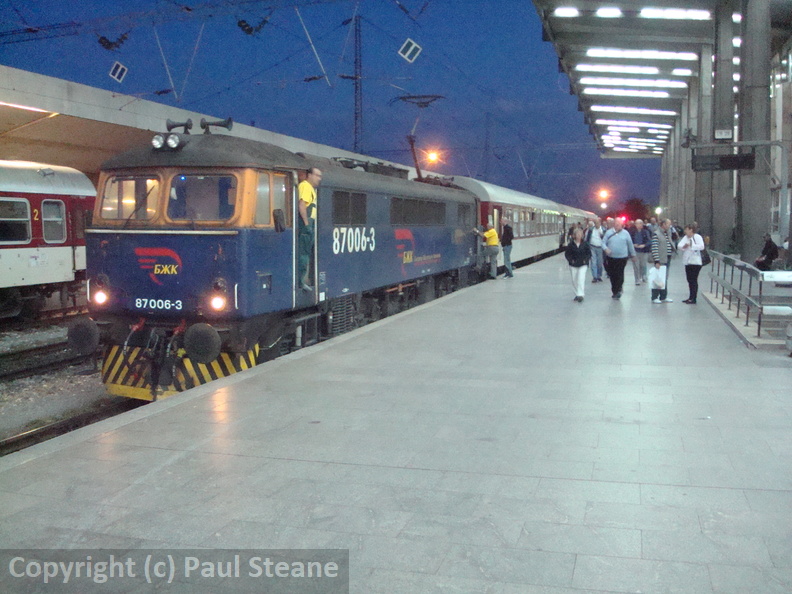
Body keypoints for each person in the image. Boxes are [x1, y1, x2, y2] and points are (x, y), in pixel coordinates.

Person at [298, 167, 322, 291]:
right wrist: (307, 224)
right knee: (303, 255)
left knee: (305, 254)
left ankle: (302, 280)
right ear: (309, 175)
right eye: (317, 175)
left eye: (320, 176)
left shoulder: (311, 189)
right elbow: (302, 204)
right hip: (305, 227)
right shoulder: (305, 186)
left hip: (309, 225)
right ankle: (301, 282)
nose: (319, 178)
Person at [602, 219, 636, 299]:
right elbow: (603, 242)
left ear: (622, 225)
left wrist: (633, 255)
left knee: (620, 273)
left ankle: (619, 289)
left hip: (622, 258)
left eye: (619, 223)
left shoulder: (626, 233)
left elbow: (630, 244)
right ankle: (614, 290)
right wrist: (606, 249)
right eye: (616, 223)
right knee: (612, 274)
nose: (617, 225)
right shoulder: (609, 232)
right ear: (614, 224)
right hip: (611, 257)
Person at [677, 224, 705, 304]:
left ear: (691, 230)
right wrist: (684, 246)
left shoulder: (697, 237)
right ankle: (690, 297)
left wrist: (692, 245)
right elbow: (679, 245)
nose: (685, 231)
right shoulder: (685, 238)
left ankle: (694, 298)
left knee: (693, 279)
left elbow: (701, 246)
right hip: (687, 261)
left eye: (686, 229)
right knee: (689, 279)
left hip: (696, 262)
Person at [650, 218, 675, 303]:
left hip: (667, 258)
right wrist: (657, 260)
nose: (669, 226)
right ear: (663, 225)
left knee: (664, 278)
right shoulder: (656, 234)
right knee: (657, 278)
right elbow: (654, 248)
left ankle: (663, 296)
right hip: (660, 259)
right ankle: (654, 297)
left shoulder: (667, 233)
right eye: (668, 224)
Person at [565, 227, 591, 302]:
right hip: (573, 264)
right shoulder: (571, 245)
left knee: (581, 279)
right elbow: (567, 254)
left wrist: (585, 260)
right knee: (574, 279)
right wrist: (571, 260)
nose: (579, 235)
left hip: (583, 264)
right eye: (577, 234)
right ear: (574, 235)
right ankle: (576, 293)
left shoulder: (585, 244)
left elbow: (589, 253)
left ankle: (580, 294)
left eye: (580, 234)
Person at [629, 219, 652, 285]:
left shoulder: (646, 232)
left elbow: (649, 241)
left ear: (642, 224)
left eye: (639, 223)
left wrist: (644, 245)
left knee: (643, 264)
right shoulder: (632, 232)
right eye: (636, 223)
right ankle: (637, 279)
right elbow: (629, 241)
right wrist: (633, 245)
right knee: (636, 266)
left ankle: (644, 276)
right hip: (635, 251)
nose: (637, 225)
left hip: (643, 251)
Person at [585, 217, 605, 283]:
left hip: (600, 247)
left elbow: (605, 239)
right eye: (595, 223)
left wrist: (602, 235)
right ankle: (595, 277)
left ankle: (599, 275)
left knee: (599, 263)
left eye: (598, 223)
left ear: (600, 223)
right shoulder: (591, 230)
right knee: (593, 262)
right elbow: (587, 239)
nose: (596, 224)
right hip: (592, 247)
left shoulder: (603, 230)